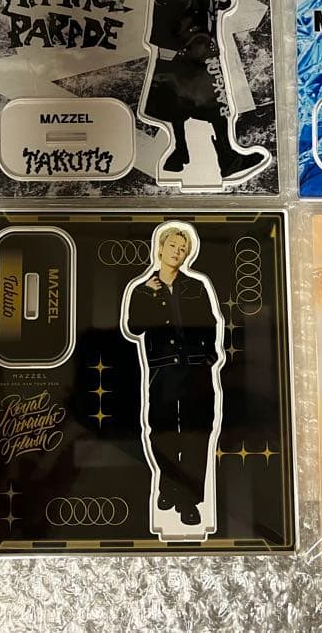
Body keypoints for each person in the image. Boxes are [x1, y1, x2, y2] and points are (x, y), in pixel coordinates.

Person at [142, 0, 268, 182]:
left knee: (217, 100)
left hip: (204, 45)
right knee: (174, 100)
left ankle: (227, 156)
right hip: (174, 43)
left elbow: (224, 3)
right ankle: (179, 149)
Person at [123, 225, 223, 527]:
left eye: (183, 249)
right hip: (163, 370)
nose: (177, 252)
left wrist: (208, 357)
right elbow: (134, 327)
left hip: (196, 369)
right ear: (161, 248)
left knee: (196, 432)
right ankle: (168, 483)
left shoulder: (196, 286)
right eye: (173, 246)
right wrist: (150, 295)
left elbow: (210, 323)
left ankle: (187, 499)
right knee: (162, 432)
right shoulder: (142, 290)